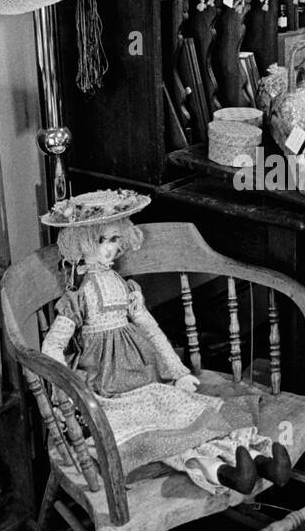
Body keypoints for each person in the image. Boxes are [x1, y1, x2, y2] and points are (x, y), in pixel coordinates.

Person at [40, 189, 290, 494]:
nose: (110, 249)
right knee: (155, 429)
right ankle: (223, 472)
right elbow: (52, 345)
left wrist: (179, 371)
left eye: (115, 239)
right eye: (102, 240)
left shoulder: (125, 286)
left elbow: (150, 328)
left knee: (186, 408)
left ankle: (258, 460)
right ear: (84, 243)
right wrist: (64, 391)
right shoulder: (78, 298)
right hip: (107, 389)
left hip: (145, 377)